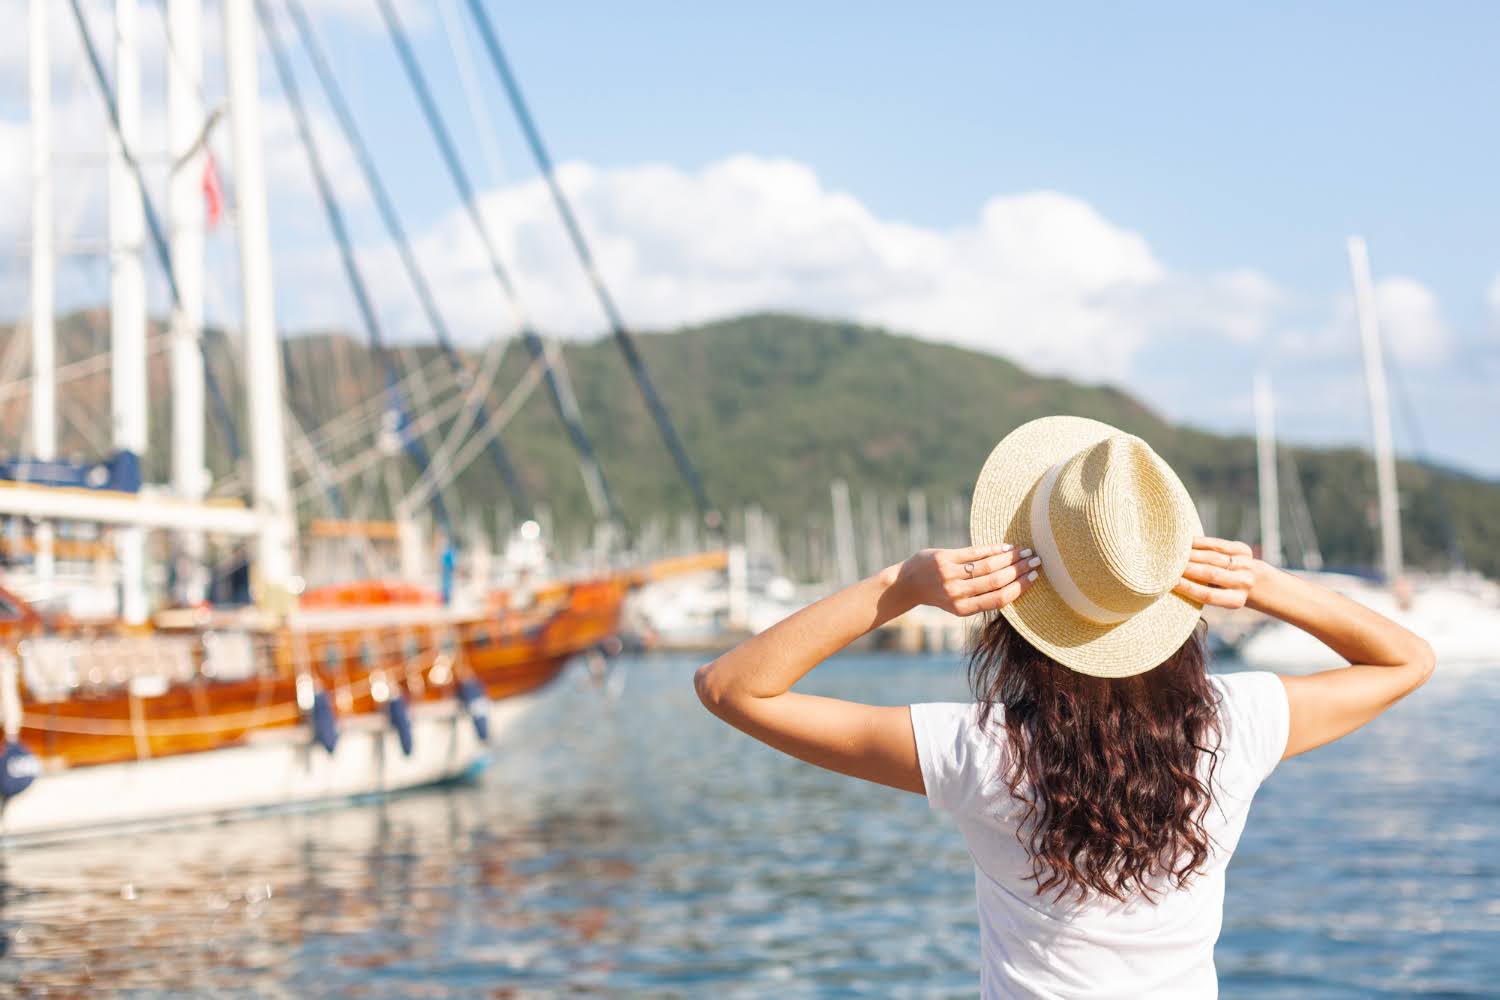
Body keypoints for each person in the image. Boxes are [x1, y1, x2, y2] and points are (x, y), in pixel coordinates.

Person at [694, 416, 1434, 998]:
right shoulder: (1234, 727)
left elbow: (731, 688)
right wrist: (1264, 583)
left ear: (1020, 608)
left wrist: (902, 585)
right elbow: (1407, 659)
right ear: (1165, 595)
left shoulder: (982, 751)